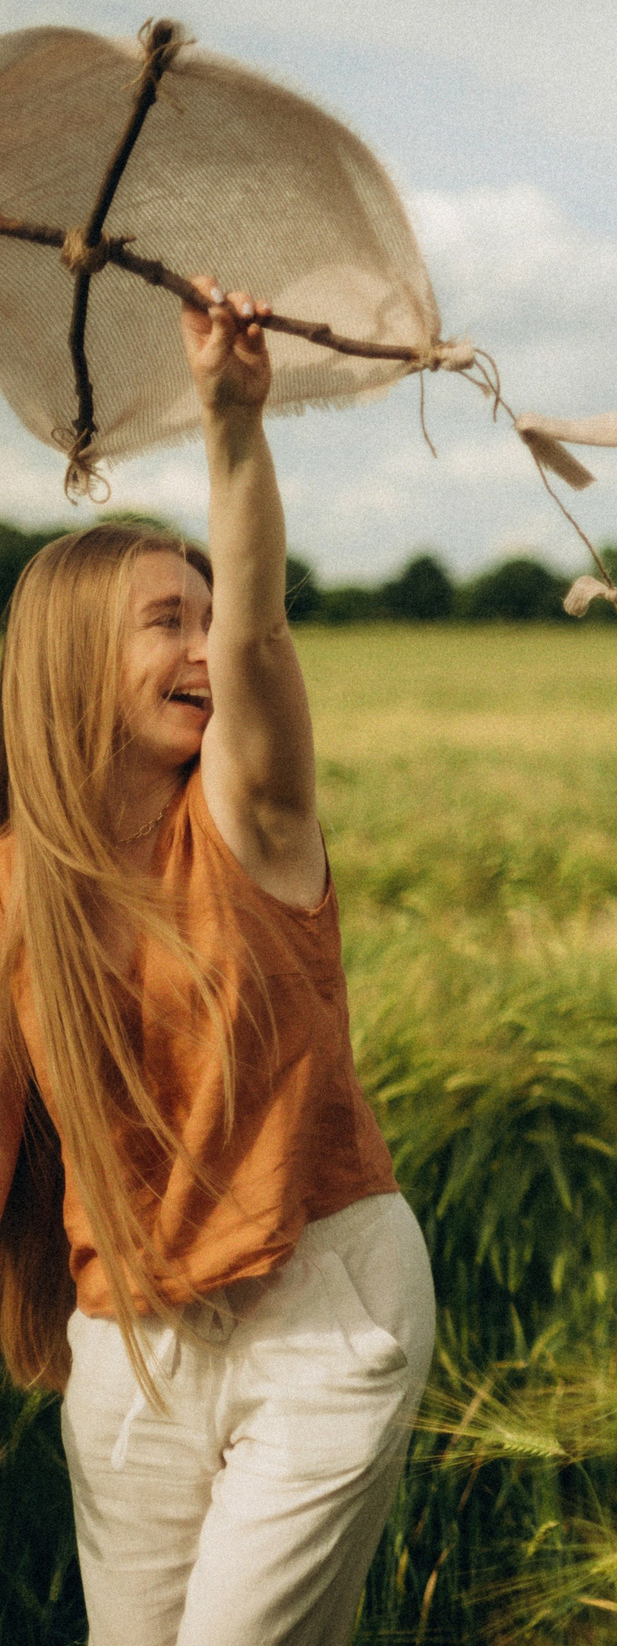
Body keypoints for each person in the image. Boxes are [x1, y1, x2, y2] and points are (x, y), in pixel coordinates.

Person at [0, 285, 433, 1646]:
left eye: (203, 610)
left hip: (323, 1303)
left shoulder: (252, 823)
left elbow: (258, 638)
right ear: (72, 666)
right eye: (161, 622)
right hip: (129, 1346)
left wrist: (232, 423)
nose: (202, 646)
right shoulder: (16, 891)